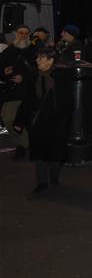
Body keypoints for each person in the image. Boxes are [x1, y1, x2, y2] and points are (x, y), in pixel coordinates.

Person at [12, 47, 73, 193]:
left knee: (55, 153)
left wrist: (63, 118)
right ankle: (42, 182)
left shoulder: (61, 77)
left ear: (51, 60)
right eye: (38, 57)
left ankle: (54, 176)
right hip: (37, 121)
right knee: (39, 152)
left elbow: (68, 100)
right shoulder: (34, 77)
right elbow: (27, 100)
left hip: (56, 122)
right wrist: (19, 121)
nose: (37, 60)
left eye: (41, 58)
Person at [1, 24, 35, 159]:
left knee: (16, 120)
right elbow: (1, 67)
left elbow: (38, 71)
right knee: (7, 119)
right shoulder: (9, 50)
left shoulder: (33, 51)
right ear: (16, 34)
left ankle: (24, 145)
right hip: (11, 91)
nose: (23, 35)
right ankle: (26, 143)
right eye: (21, 33)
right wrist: (4, 72)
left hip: (27, 92)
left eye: (26, 33)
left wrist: (23, 78)